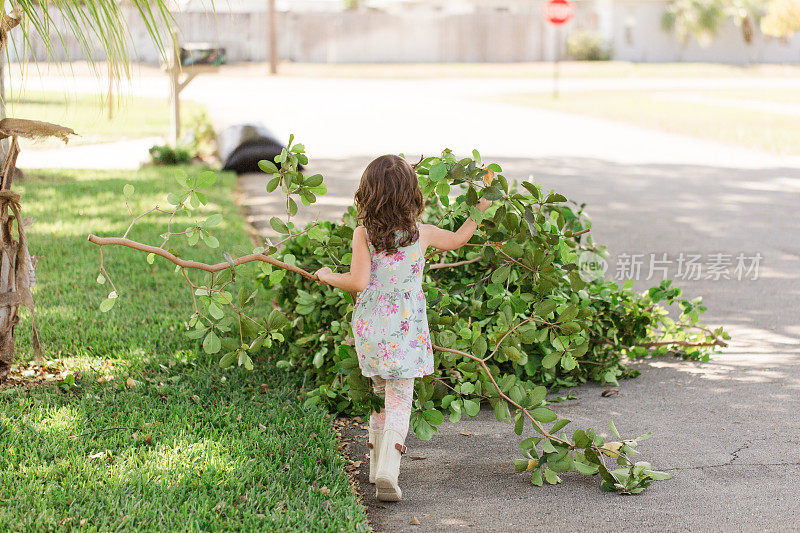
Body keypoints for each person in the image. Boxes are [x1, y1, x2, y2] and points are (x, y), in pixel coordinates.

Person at [315, 154, 491, 502]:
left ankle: (373, 464)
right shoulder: (421, 234)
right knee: (400, 399)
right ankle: (388, 470)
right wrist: (480, 208)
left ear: (368, 196)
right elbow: (458, 240)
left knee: (381, 393)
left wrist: (326, 276)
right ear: (412, 196)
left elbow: (358, 281)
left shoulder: (362, 234)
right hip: (406, 329)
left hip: (372, 330)